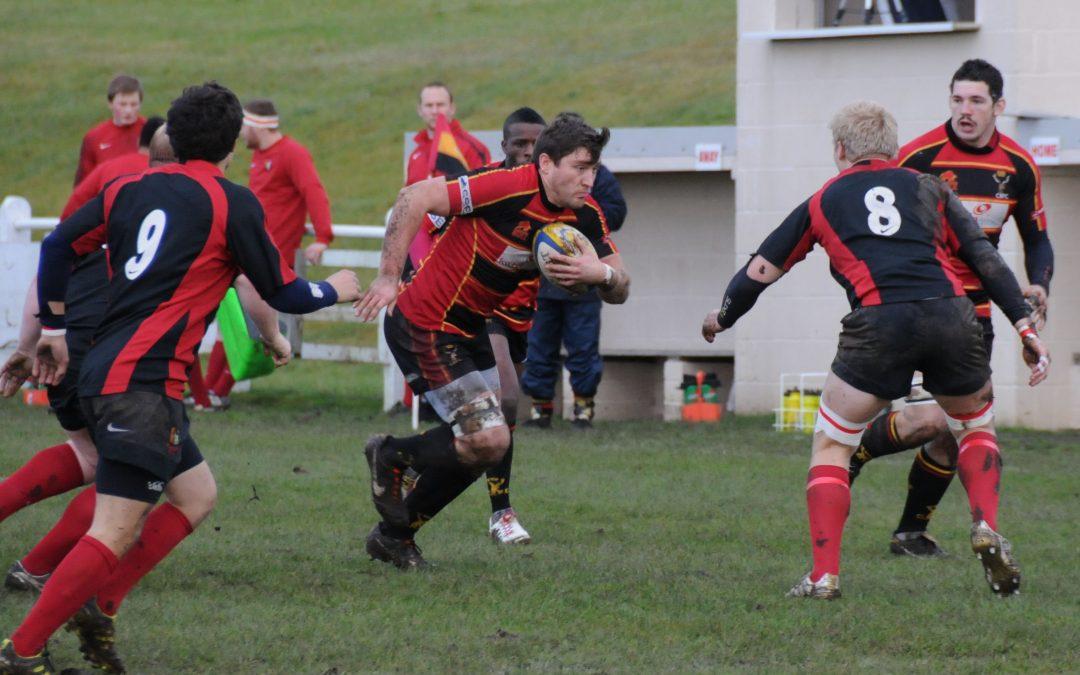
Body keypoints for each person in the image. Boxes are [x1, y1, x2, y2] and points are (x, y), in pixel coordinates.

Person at [0, 82, 360, 674]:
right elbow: (282, 290)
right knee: (114, 527)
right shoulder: (231, 200)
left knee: (196, 495)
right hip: (142, 384)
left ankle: (100, 604)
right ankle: (24, 649)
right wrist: (335, 289)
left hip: (104, 371)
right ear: (231, 146)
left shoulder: (128, 186)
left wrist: (56, 330)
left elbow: (59, 243)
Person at [701, 101, 1049, 600]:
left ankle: (824, 577)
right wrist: (1025, 328)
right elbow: (984, 258)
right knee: (973, 427)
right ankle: (986, 526)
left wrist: (723, 317)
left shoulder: (823, 199)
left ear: (840, 150)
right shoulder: (931, 188)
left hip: (879, 322)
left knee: (832, 445)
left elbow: (761, 270)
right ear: (892, 148)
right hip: (951, 314)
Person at [355, 112, 630, 569]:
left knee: (489, 444)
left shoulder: (585, 214)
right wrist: (387, 277)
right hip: (425, 323)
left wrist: (598, 274)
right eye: (579, 168)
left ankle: (394, 536)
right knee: (487, 436)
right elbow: (414, 196)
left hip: (470, 330)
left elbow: (622, 285)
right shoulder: (505, 185)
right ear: (545, 164)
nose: (589, 179)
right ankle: (392, 455)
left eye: (594, 169)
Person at [846, 59, 1054, 558]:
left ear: (998, 107)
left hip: (975, 315)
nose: (965, 110)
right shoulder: (919, 157)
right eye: (957, 99)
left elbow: (1037, 239)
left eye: (976, 100)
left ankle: (909, 533)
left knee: (953, 430)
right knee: (939, 423)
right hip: (915, 304)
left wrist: (1039, 284)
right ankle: (852, 454)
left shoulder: (1019, 167)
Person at [201, 98, 336, 405]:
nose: (238, 136)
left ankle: (214, 393)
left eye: (242, 127)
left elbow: (313, 191)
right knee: (233, 324)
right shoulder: (260, 156)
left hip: (269, 260)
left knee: (249, 325)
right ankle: (210, 393)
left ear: (257, 126)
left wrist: (323, 236)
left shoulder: (292, 153)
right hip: (248, 254)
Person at [520, 152, 627, 430]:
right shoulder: (540, 178)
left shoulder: (598, 178)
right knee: (539, 345)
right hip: (544, 282)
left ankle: (583, 407)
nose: (584, 177)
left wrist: (579, 217)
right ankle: (540, 409)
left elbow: (617, 212)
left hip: (586, 281)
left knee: (583, 345)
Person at [482, 107, 547, 544]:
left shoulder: (553, 192)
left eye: (534, 145)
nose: (526, 152)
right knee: (507, 399)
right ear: (502, 146)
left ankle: (412, 461)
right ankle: (501, 513)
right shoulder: (482, 185)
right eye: (518, 144)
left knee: (495, 421)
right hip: (479, 310)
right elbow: (428, 218)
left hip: (522, 314)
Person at [62, 116, 165, 219]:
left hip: (108, 232)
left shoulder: (106, 168)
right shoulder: (166, 175)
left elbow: (71, 210)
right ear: (164, 146)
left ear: (138, 141)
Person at [74, 75, 146, 186]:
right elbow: (83, 185)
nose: (128, 110)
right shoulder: (94, 138)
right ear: (110, 104)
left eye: (133, 104)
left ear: (140, 104)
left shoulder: (152, 133)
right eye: (122, 104)